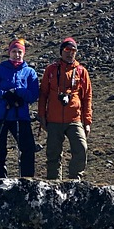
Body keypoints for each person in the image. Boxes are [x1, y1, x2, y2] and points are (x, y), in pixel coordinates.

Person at [37, 36, 92, 180]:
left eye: (73, 50)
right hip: (53, 119)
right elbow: (43, 94)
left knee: (81, 148)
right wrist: (41, 116)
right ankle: (54, 184)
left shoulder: (81, 71)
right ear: (61, 51)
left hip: (74, 119)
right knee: (53, 153)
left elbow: (87, 98)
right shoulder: (51, 70)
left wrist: (87, 122)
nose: (70, 53)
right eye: (67, 49)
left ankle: (74, 180)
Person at [0, 38, 39, 178]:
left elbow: (33, 95)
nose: (17, 54)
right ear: (9, 53)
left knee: (28, 148)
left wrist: (19, 92)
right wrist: (4, 94)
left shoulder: (30, 72)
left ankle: (27, 179)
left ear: (24, 53)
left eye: (20, 52)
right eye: (14, 51)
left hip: (20, 116)